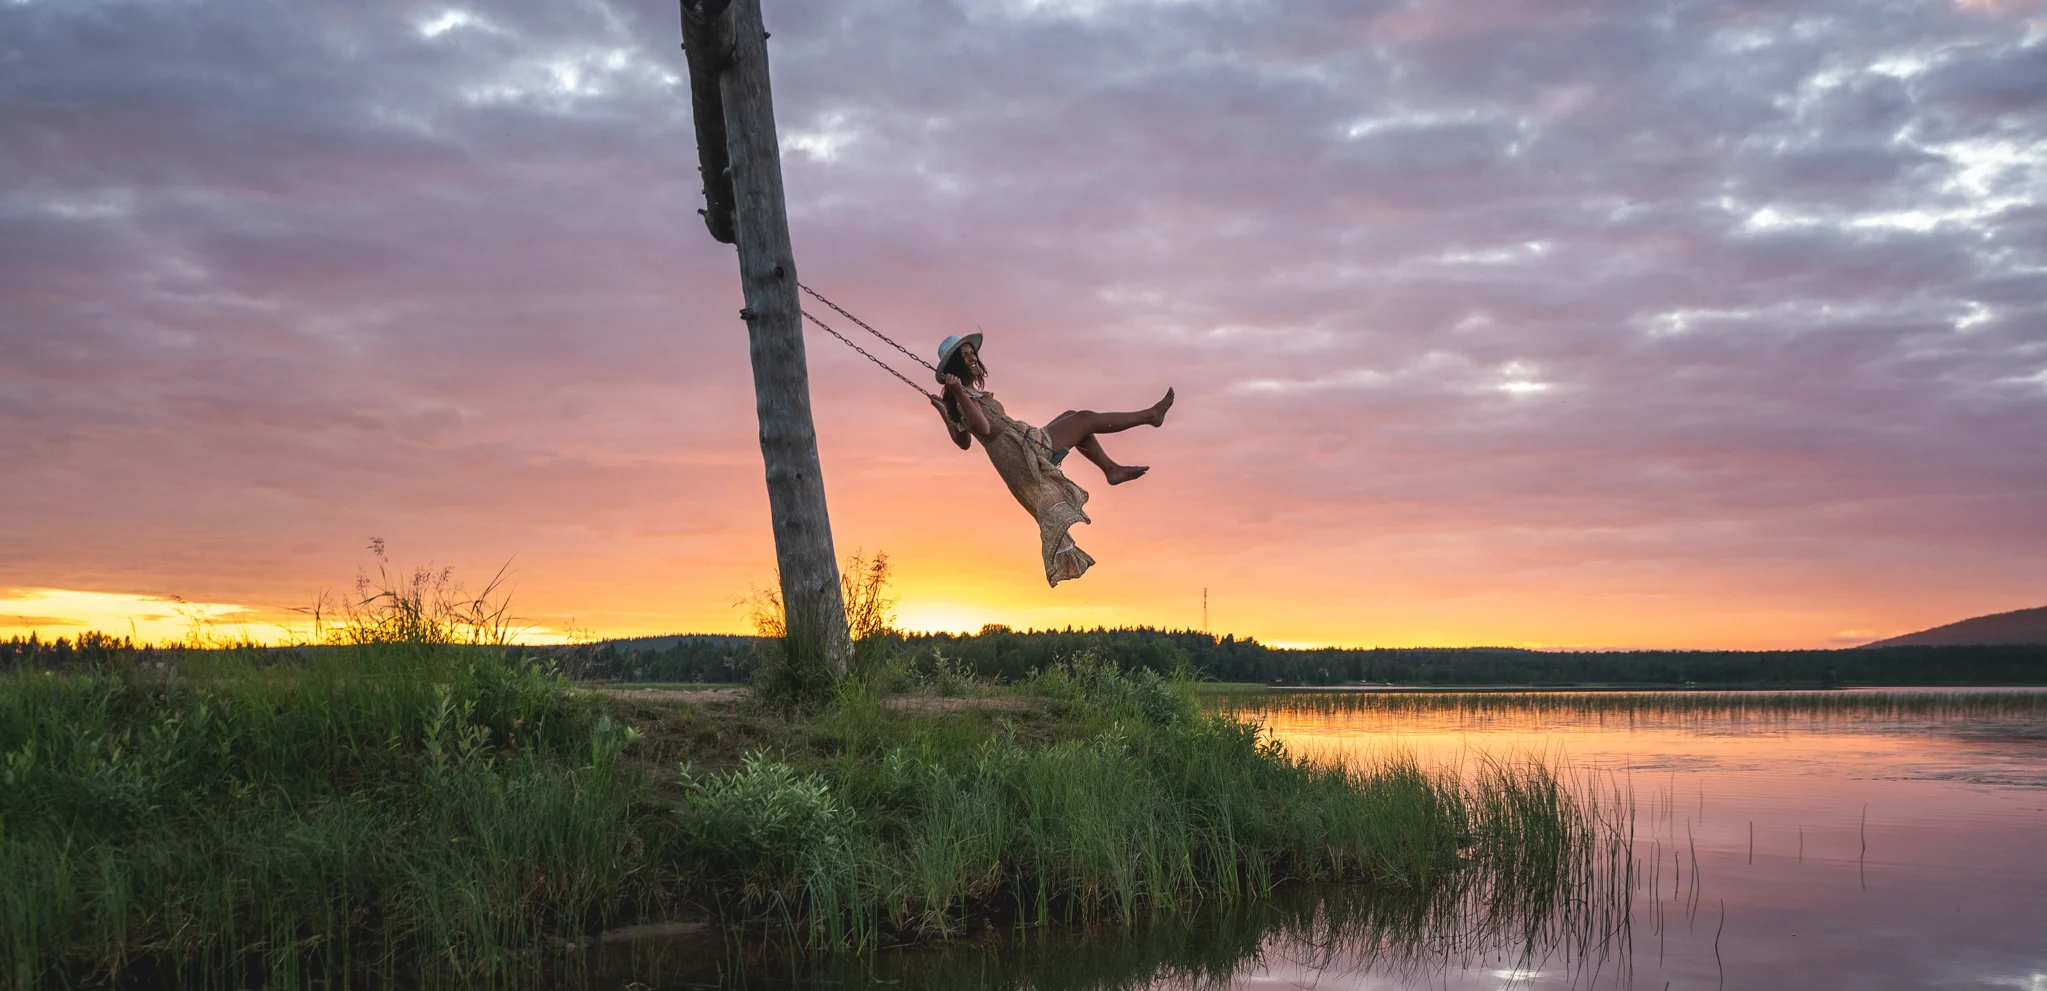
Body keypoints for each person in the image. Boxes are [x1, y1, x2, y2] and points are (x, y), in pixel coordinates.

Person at [928, 332, 1173, 586]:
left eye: (972, 353)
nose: (971, 358)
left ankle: (1111, 470)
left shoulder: (962, 393)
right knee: (1084, 419)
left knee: (1073, 417)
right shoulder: (960, 396)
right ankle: (1151, 416)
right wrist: (948, 406)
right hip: (1021, 457)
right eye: (964, 355)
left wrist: (951, 402)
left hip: (1023, 441)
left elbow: (963, 441)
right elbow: (980, 431)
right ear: (954, 365)